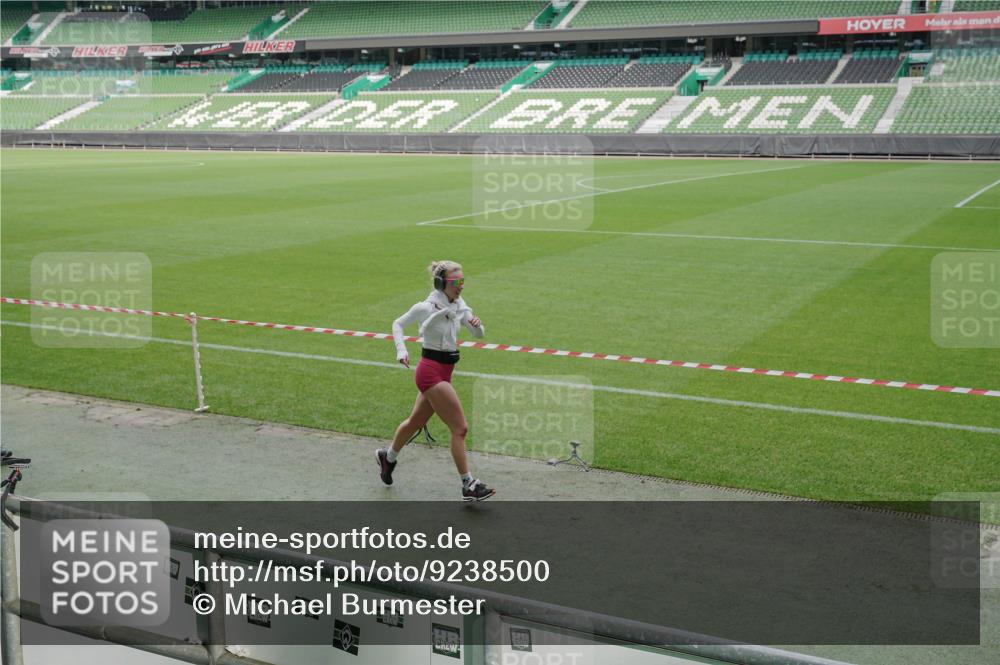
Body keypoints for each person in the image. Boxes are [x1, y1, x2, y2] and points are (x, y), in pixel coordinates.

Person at [377, 260, 496, 501]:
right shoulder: (427, 307)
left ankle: (387, 457)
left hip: (445, 371)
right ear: (441, 283)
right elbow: (397, 324)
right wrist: (401, 350)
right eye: (456, 282)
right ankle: (468, 485)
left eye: (463, 282)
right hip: (429, 372)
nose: (461, 287)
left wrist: (477, 325)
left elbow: (479, 334)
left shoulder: (459, 307)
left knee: (414, 423)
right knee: (460, 428)